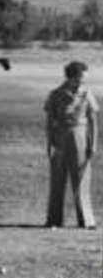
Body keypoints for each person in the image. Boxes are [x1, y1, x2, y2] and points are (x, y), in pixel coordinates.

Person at [44, 60, 98, 229]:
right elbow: (49, 121)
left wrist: (93, 144)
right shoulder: (54, 94)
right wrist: (49, 143)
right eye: (82, 77)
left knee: (81, 179)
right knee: (57, 181)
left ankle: (86, 221)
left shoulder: (87, 93)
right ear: (72, 76)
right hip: (59, 138)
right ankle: (54, 220)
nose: (84, 81)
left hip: (81, 138)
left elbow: (93, 121)